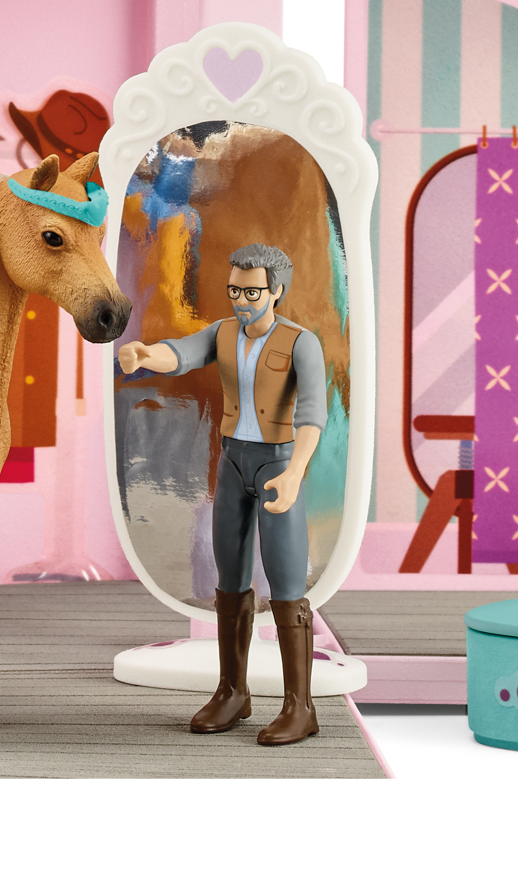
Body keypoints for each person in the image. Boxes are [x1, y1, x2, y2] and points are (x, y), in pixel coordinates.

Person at [117, 243, 327, 745]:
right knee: (228, 577)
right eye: (235, 291)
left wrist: (296, 471)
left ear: (276, 291)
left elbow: (312, 413)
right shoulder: (224, 333)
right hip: (233, 462)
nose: (241, 301)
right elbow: (184, 352)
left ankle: (300, 706)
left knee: (286, 581)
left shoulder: (300, 343)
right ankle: (233, 691)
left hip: (278, 464)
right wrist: (147, 354)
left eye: (252, 292)